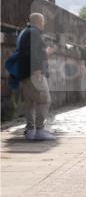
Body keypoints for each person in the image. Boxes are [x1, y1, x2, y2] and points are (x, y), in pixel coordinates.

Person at [14, 12, 55, 140]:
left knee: (30, 103)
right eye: (43, 21)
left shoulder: (24, 32)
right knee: (44, 100)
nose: (44, 23)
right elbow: (33, 52)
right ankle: (40, 130)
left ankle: (30, 131)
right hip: (34, 73)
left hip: (24, 73)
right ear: (38, 21)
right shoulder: (34, 33)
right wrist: (38, 67)